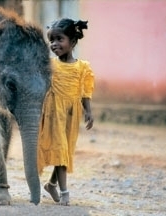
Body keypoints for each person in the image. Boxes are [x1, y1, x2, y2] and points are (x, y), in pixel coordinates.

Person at [37, 18, 94, 206]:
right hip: (53, 113)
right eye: (51, 40)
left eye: (59, 39)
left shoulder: (82, 67)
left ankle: (51, 184)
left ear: (73, 41)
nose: (54, 44)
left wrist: (88, 112)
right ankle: (65, 193)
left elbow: (85, 91)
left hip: (72, 114)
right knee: (60, 150)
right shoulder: (50, 66)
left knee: (65, 152)